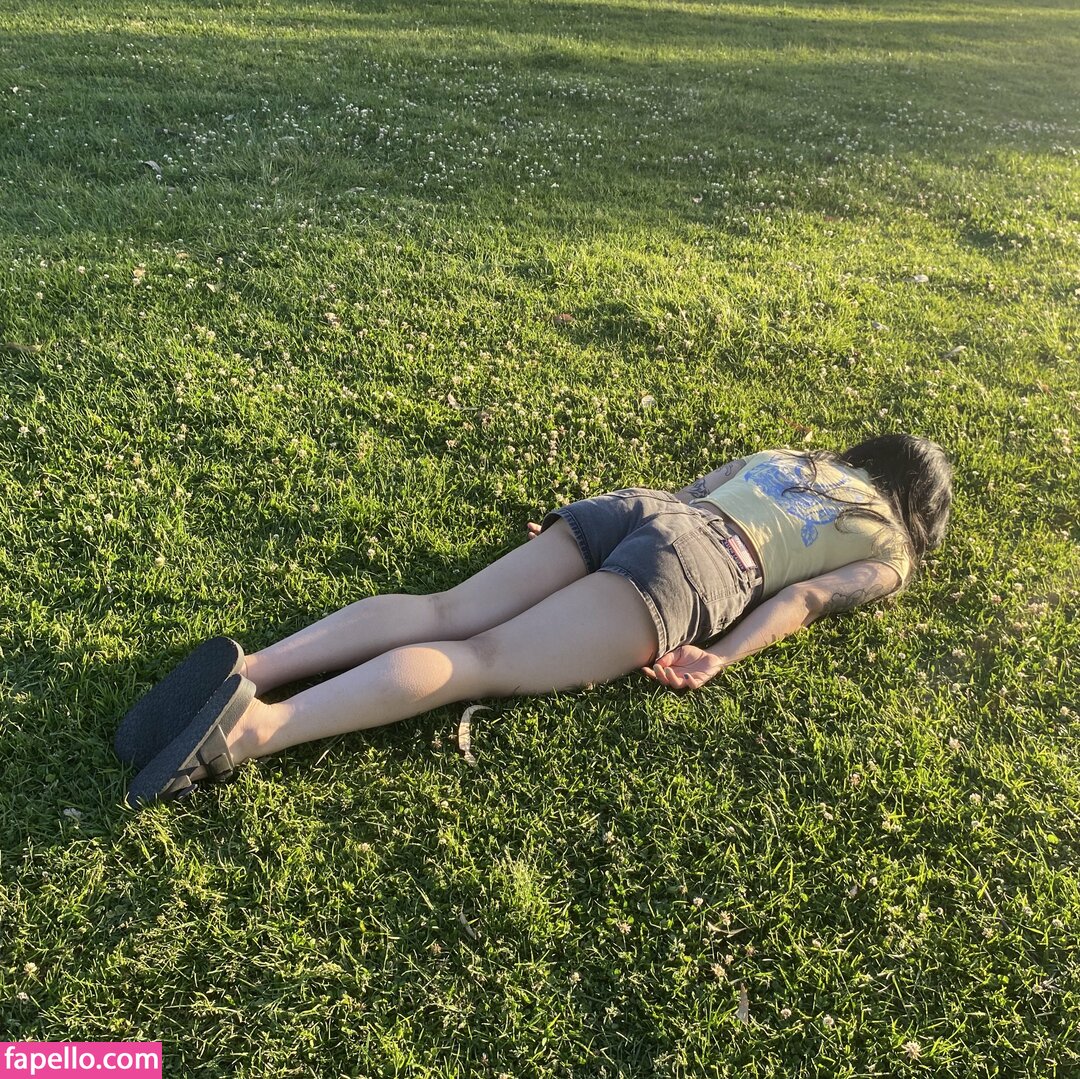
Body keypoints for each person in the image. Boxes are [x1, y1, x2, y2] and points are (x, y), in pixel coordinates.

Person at [115, 433, 953, 808]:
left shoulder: (794, 457)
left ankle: (254, 665)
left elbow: (691, 495)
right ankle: (254, 728)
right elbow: (803, 597)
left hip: (634, 511)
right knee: (479, 657)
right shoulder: (891, 548)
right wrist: (721, 654)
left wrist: (587, 542)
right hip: (703, 568)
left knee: (444, 609)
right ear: (921, 509)